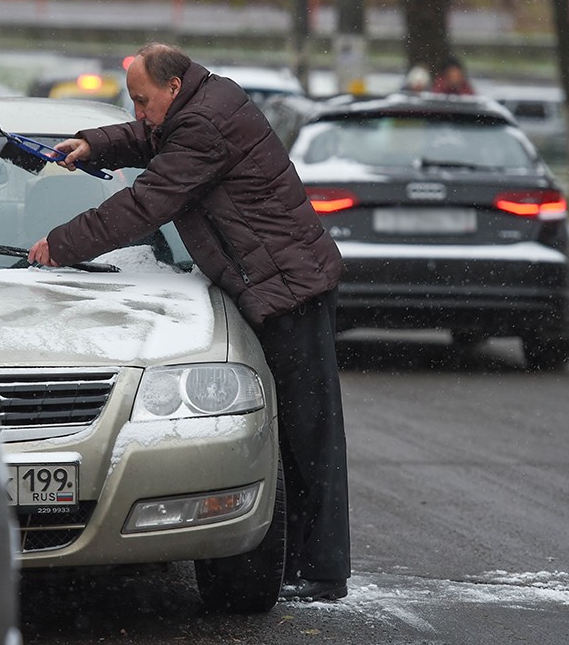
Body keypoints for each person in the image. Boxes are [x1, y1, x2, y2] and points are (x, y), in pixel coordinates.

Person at [27, 42, 351, 602]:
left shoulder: (204, 126)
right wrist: (93, 143)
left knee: (307, 433)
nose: (137, 113)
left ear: (173, 88)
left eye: (142, 100)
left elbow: (147, 203)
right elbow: (148, 137)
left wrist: (60, 244)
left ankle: (321, 570)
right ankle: (304, 562)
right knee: (293, 429)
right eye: (131, 101)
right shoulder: (199, 103)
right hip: (275, 280)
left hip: (289, 287)